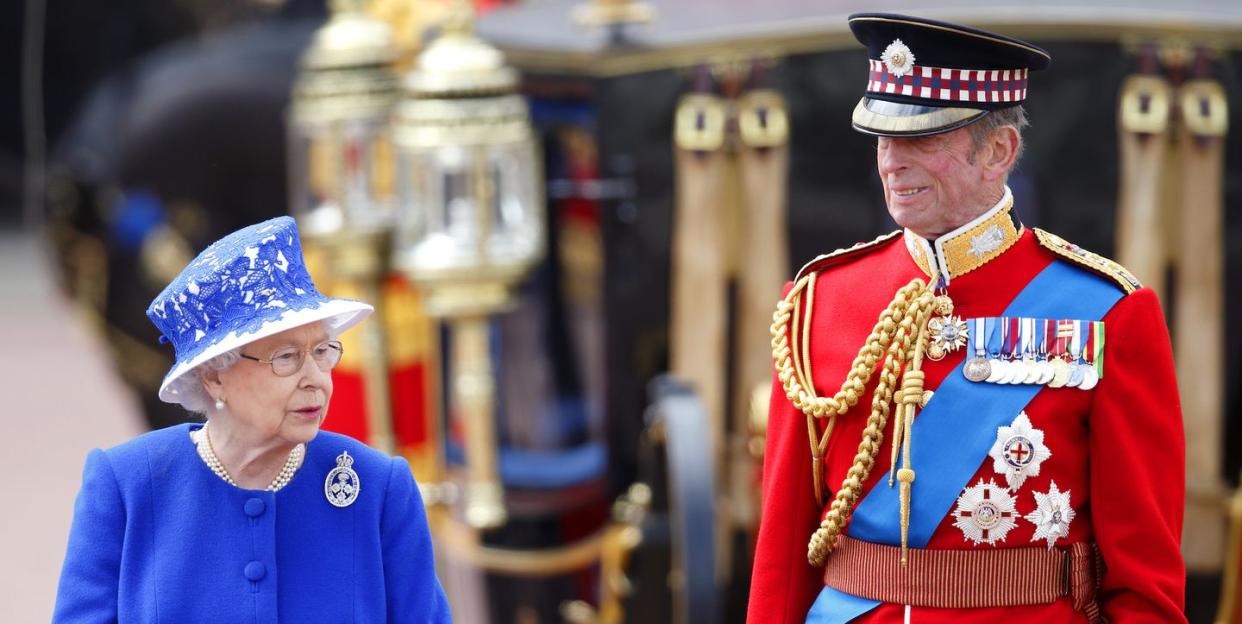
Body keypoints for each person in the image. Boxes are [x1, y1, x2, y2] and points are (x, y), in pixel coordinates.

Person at [747, 13, 1184, 624]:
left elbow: (1145, 580)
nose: (891, 163)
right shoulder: (818, 299)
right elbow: (783, 552)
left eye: (921, 139)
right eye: (883, 139)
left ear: (998, 152)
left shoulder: (1106, 310)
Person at [53, 216, 452, 623]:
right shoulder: (126, 484)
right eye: (286, 358)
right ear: (214, 377)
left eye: (322, 351)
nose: (317, 379)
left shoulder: (378, 488)